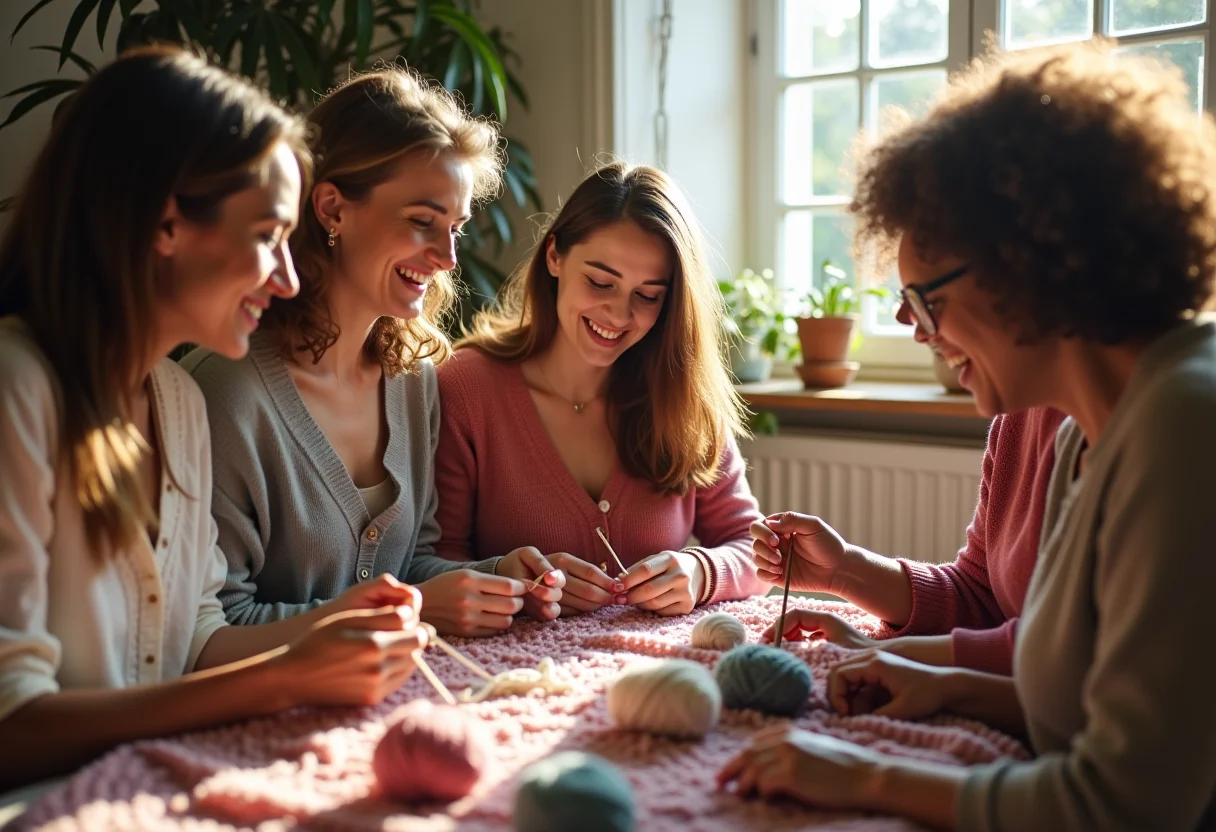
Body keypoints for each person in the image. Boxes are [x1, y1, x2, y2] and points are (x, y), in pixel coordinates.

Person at [719, 41, 1216, 831]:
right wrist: (951, 683)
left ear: (1028, 263)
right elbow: (1080, 682)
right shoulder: (1074, 436)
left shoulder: (1186, 424)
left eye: (924, 300)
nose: (915, 331)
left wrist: (867, 779)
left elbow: (1124, 804)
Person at [0, 47, 427, 791]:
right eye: (267, 236)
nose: (289, 278)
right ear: (166, 222)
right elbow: (11, 728)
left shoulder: (178, 403)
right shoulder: (18, 389)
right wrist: (285, 679)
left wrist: (339, 625)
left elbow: (196, 642)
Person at [183, 68, 561, 638]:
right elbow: (214, 632)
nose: (448, 257)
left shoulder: (413, 379)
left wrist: (498, 578)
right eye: (422, 222)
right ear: (332, 209)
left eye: (455, 227)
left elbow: (412, 568)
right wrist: (408, 607)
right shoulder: (225, 395)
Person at [434, 162, 766, 621]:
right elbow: (428, 566)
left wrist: (699, 571)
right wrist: (512, 584)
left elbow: (759, 553)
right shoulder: (466, 389)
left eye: (647, 295)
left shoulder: (683, 396)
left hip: (653, 678)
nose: (618, 313)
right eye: (600, 282)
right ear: (554, 256)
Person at [755, 405, 1064, 675]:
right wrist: (842, 570)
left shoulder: (1100, 437)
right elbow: (980, 598)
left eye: (930, 330)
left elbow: (1070, 657)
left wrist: (878, 652)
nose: (919, 336)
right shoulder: (1014, 419)